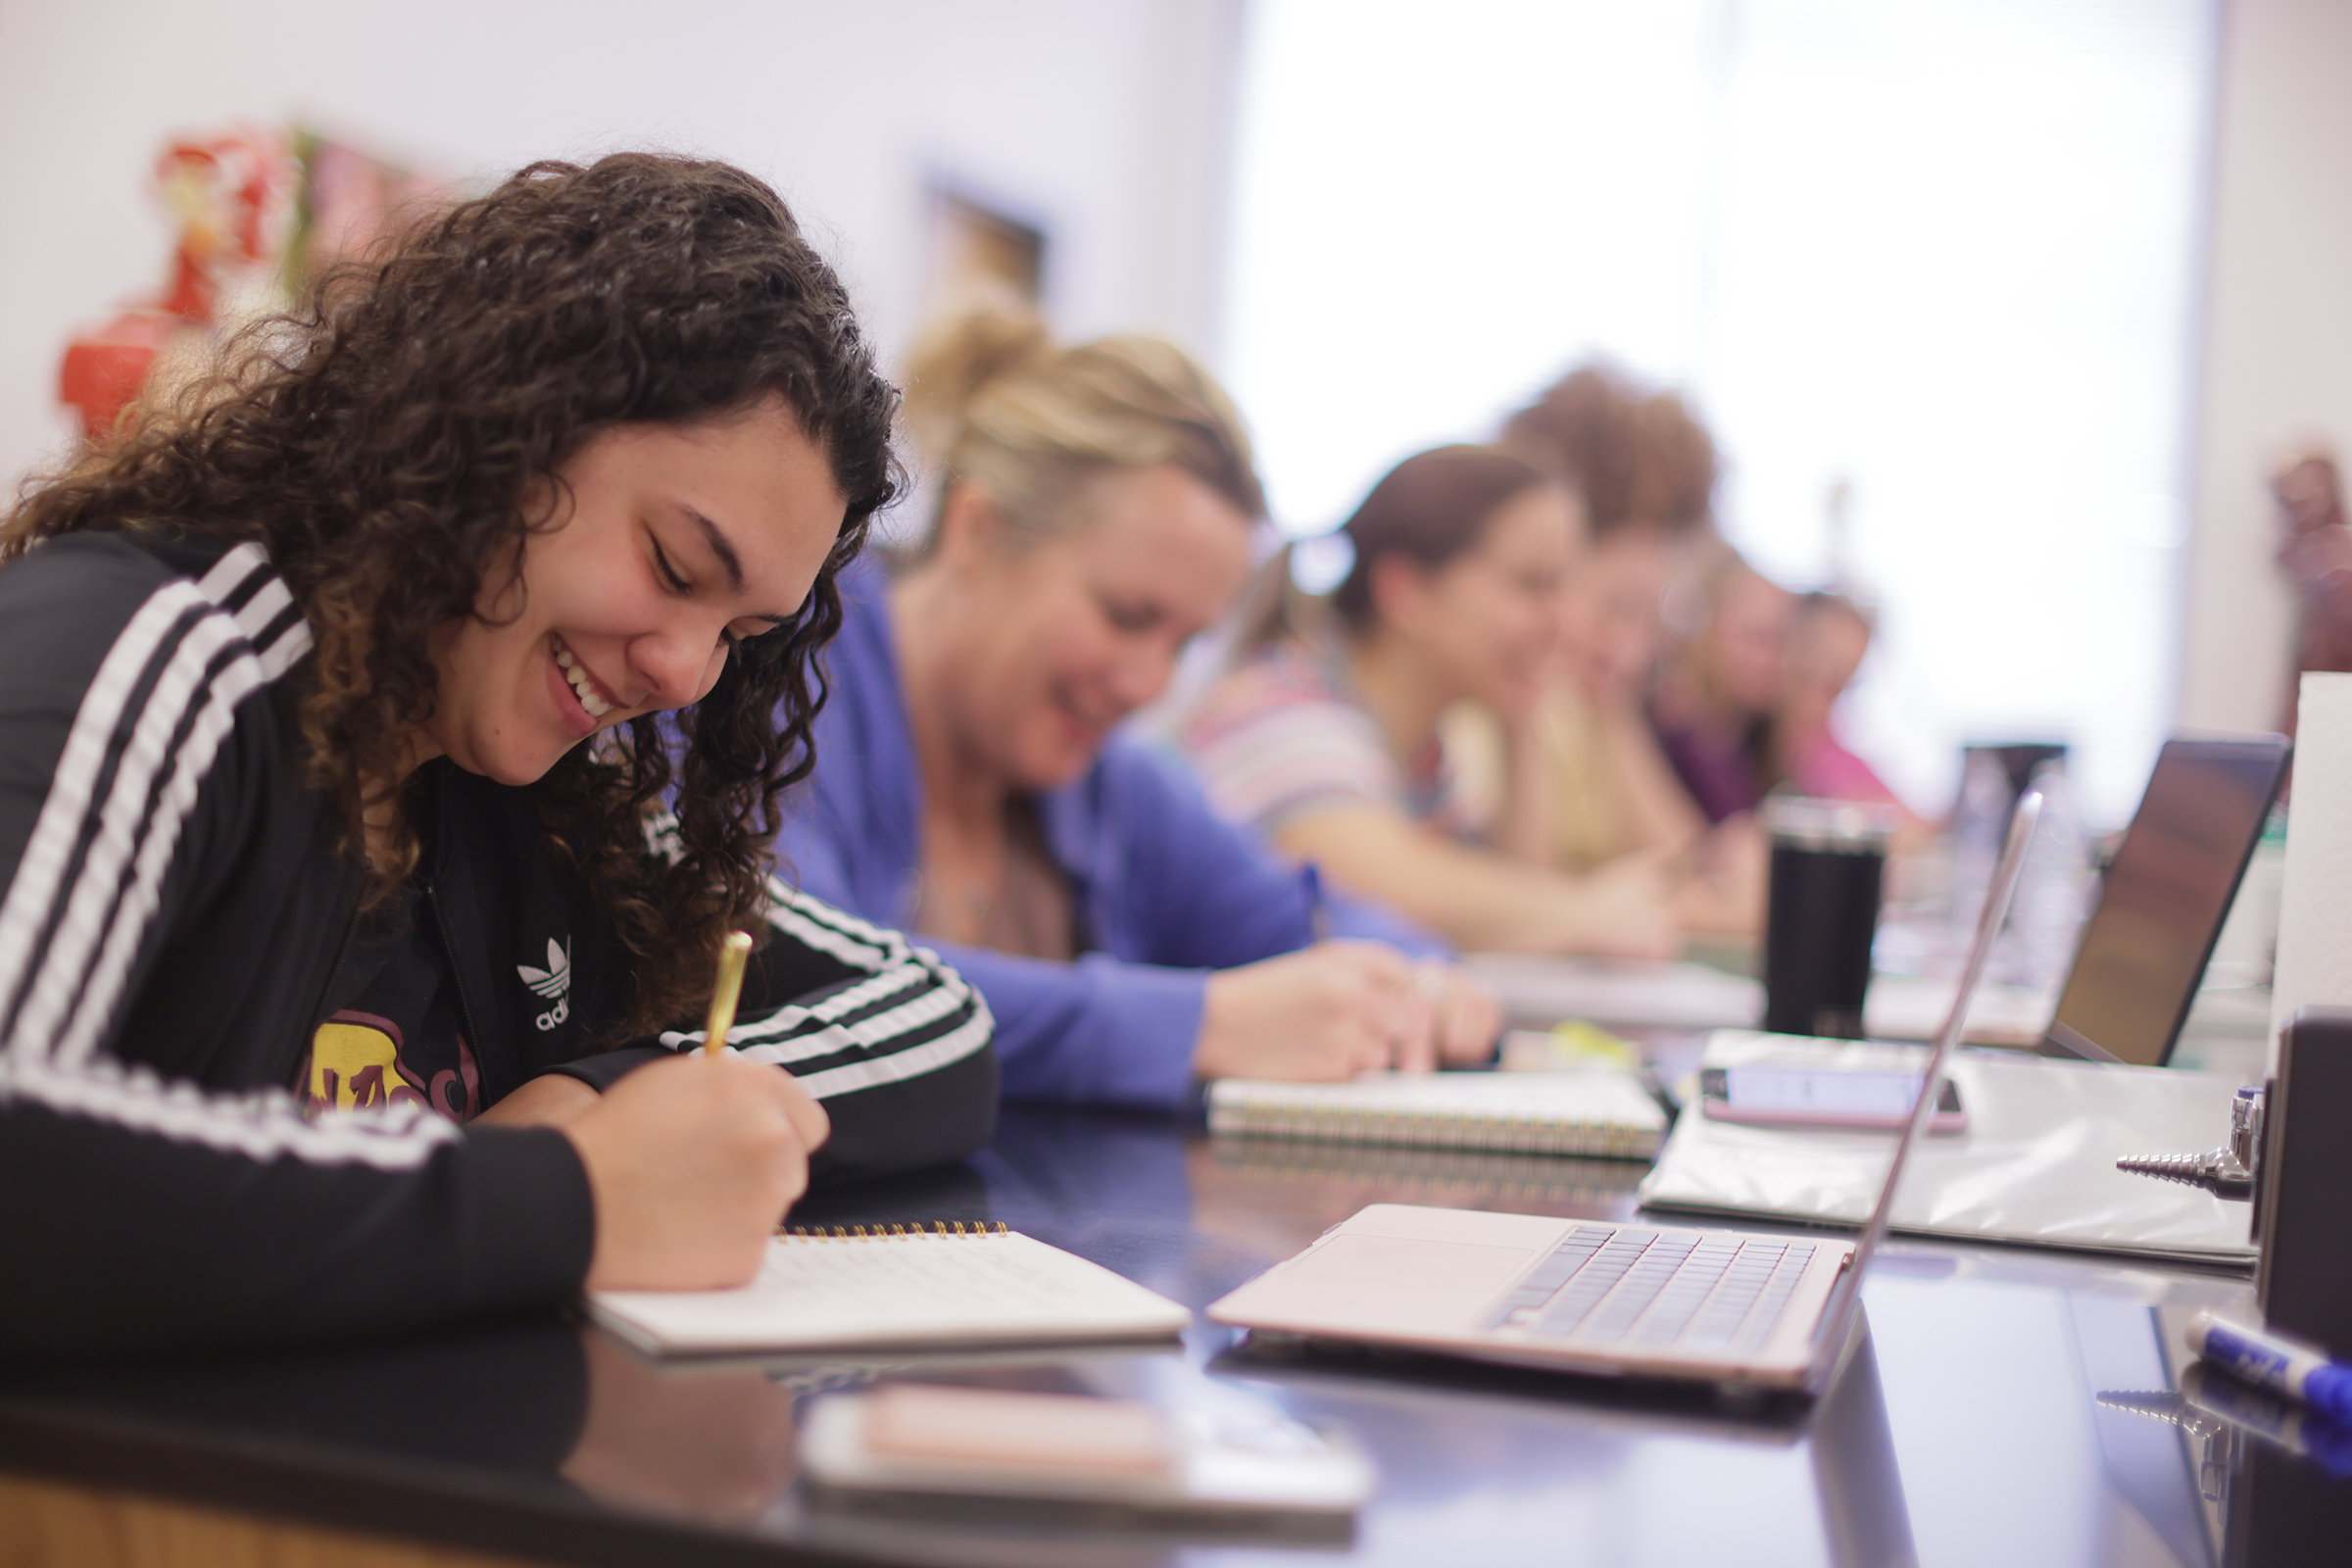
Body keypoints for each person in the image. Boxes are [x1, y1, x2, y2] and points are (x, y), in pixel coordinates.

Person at [0, 155, 996, 1358]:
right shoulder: (156, 654)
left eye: (739, 637)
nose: (684, 676)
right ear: (503, 430)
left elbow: (931, 1015)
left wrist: (607, 1098)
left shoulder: (552, 801)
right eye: (676, 568)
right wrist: (566, 1195)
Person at [778, 311, 1495, 1110]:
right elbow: (810, 977)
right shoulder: (782, 689)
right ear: (979, 532)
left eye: (1184, 644)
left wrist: (1422, 981)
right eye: (1126, 616)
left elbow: (1305, 917)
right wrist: (1201, 1025)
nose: (1146, 683)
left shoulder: (1110, 786)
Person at [1175, 445, 1679, 958]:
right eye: (1532, 585)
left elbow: (1513, 924)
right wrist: (1585, 912)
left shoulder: (1424, 758)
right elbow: (1393, 892)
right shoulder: (1277, 709)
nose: (1566, 622)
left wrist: (1522, 727)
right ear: (1406, 590)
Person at [1457, 362, 1764, 934]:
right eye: (1616, 609)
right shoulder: (1483, 710)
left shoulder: (1586, 708)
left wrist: (1615, 712)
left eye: (1648, 617)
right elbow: (1532, 902)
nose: (1632, 648)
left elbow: (1687, 866)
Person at [1647, 546, 1793, 823]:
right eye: (1755, 638)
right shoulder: (1666, 731)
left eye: (1781, 641)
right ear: (1704, 630)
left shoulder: (1757, 743)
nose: (1770, 659)